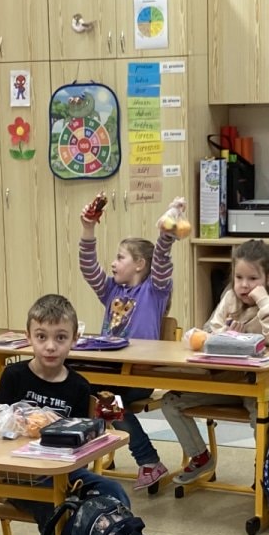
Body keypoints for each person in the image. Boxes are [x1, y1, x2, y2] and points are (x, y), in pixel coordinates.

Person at [158, 239, 269, 488]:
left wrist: (264, 303)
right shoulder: (230, 298)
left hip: (262, 386)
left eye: (252, 279)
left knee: (266, 416)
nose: (244, 285)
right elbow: (207, 334)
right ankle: (200, 457)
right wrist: (226, 337)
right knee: (170, 402)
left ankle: (267, 470)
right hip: (226, 382)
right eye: (239, 277)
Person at [77, 196, 178, 489]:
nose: (113, 263)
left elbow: (162, 261)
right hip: (110, 370)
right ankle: (83, 453)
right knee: (82, 388)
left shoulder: (155, 291)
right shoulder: (111, 290)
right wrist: (87, 229)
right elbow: (88, 268)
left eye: (121, 258)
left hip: (140, 375)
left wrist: (166, 233)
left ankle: (148, 460)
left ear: (140, 265)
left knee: (106, 398)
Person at [0, 293, 128, 509]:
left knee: (114, 490)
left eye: (61, 338)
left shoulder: (79, 386)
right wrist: (20, 422)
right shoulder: (13, 376)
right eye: (41, 336)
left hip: (64, 472)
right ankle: (69, 529)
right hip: (20, 472)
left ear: (75, 339)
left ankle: (122, 531)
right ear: (28, 337)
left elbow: (82, 446)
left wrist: (61, 428)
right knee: (60, 508)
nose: (50, 346)